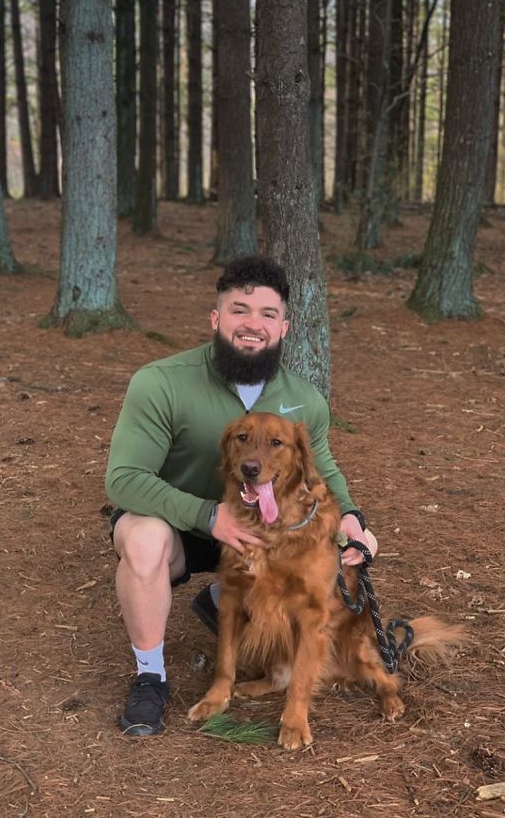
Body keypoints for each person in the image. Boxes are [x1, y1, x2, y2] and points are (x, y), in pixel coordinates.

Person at [105, 255, 377, 736]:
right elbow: (124, 479)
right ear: (216, 319)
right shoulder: (160, 382)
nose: (253, 325)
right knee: (142, 542)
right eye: (239, 310)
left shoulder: (305, 399)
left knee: (307, 571)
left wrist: (352, 517)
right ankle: (150, 677)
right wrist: (209, 516)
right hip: (182, 526)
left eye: (267, 315)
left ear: (284, 327)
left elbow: (322, 467)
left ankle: (225, 599)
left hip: (264, 530)